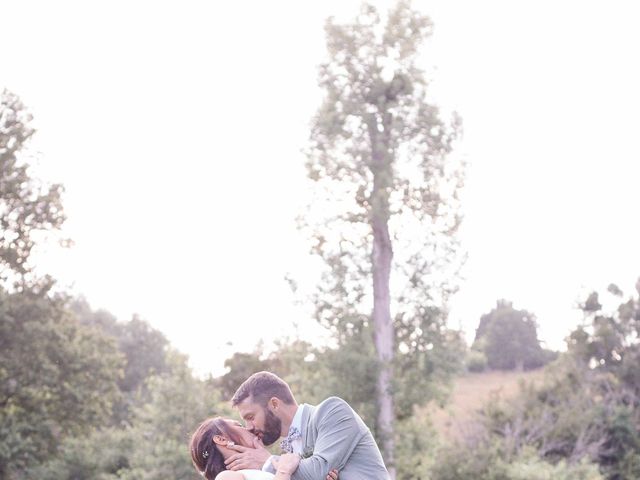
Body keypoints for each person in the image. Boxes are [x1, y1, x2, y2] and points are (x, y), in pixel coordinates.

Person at [224, 371, 391, 480]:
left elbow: (319, 470)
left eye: (251, 417)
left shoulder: (332, 411)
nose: (249, 427)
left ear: (274, 404)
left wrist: (267, 462)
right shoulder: (288, 454)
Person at [189, 416, 338, 480]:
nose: (248, 429)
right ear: (221, 439)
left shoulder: (260, 472)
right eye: (239, 425)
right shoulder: (224, 477)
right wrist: (284, 471)